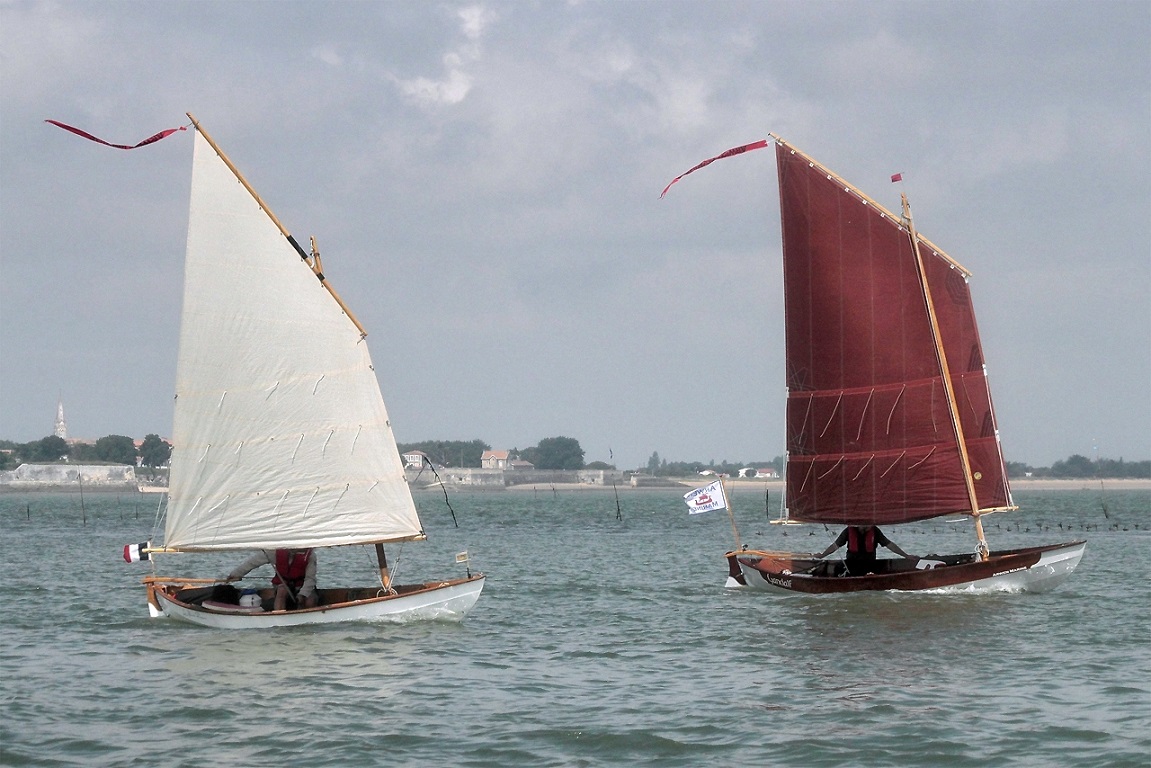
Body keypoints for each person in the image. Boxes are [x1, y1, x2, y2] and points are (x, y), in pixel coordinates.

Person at [226, 548, 318, 610]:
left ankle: (306, 621)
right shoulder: (275, 552)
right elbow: (252, 563)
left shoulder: (310, 556)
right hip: (282, 584)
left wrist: (302, 595)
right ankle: (279, 617)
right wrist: (236, 574)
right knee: (282, 590)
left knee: (310, 601)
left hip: (301, 585)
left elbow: (310, 579)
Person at [817, 525, 913, 576]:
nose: (867, 527)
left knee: (880, 567)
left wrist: (906, 556)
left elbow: (889, 545)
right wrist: (822, 555)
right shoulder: (849, 530)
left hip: (869, 564)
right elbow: (835, 545)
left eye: (868, 525)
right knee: (838, 568)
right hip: (852, 564)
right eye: (864, 525)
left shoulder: (875, 530)